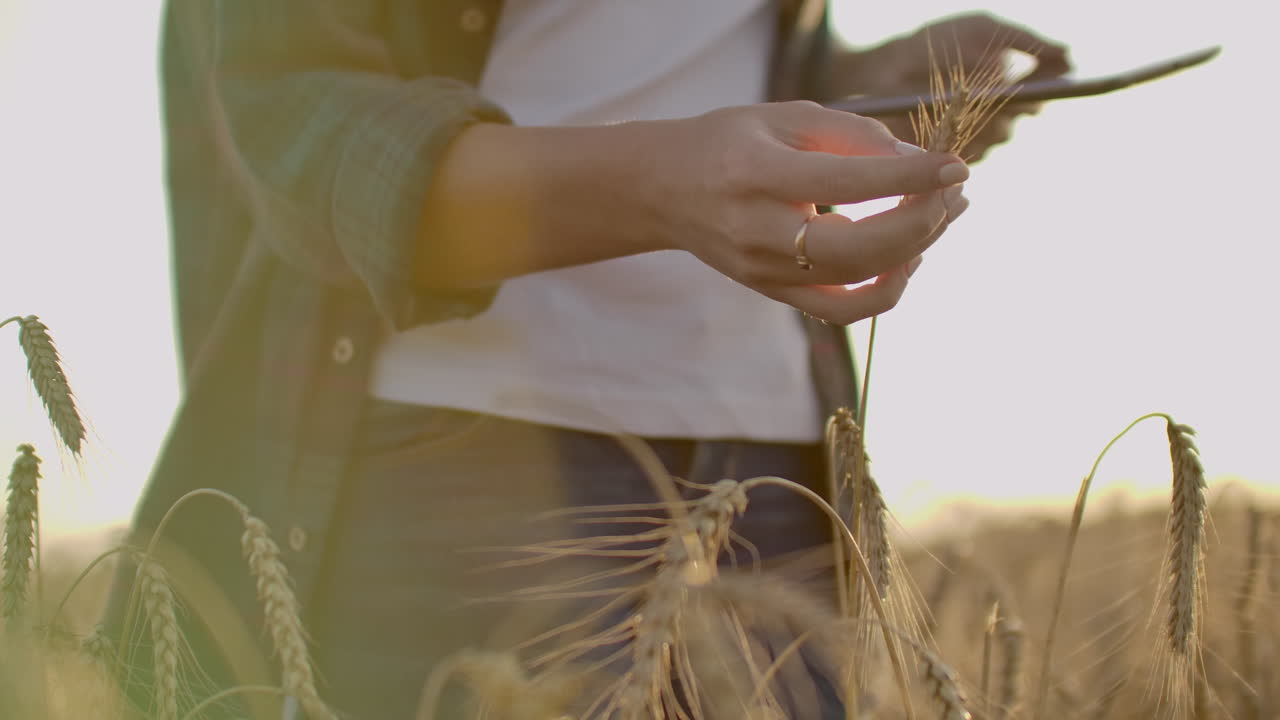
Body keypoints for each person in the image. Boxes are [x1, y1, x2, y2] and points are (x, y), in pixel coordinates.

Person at [105, 2, 1069, 718]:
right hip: (457, 459)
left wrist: (865, 82)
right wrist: (660, 186)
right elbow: (295, 118)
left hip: (776, 462)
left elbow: (683, 52)